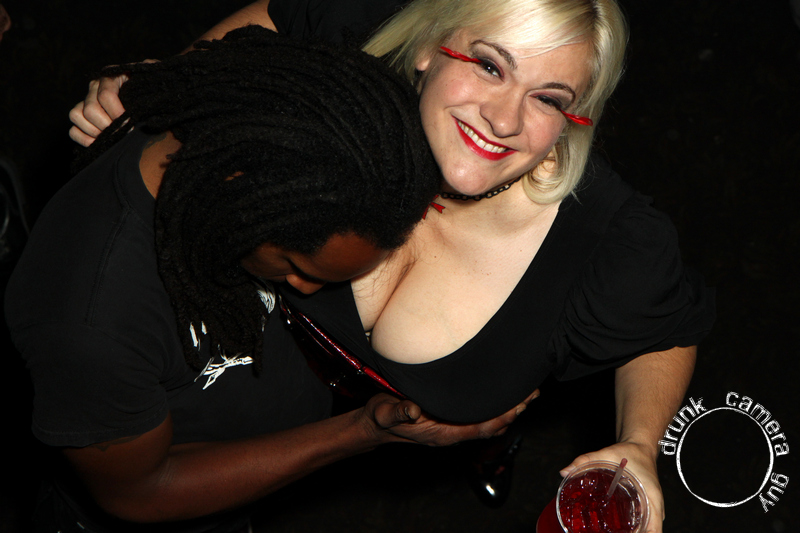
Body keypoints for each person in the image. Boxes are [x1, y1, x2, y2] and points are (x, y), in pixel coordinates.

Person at [68, 1, 715, 531]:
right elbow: (285, 14)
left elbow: (664, 329)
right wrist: (164, 88)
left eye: (548, 99)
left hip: (406, 434)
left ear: (575, 121)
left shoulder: (607, 238)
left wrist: (638, 443)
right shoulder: (360, 65)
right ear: (430, 46)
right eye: (490, 65)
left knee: (488, 425)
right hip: (264, 391)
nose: (504, 119)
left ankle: (490, 456)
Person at [7, 27, 533, 533]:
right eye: (296, 269)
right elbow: (140, 491)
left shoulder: (301, 149)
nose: (308, 292)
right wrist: (363, 431)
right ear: (238, 194)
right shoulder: (90, 319)